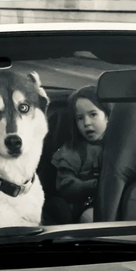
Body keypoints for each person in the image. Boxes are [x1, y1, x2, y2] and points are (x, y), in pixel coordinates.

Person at [50, 86, 110, 223]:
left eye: (93, 114)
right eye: (80, 118)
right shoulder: (73, 151)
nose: (87, 123)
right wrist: (93, 185)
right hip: (85, 207)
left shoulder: (121, 146)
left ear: (107, 116)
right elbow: (65, 184)